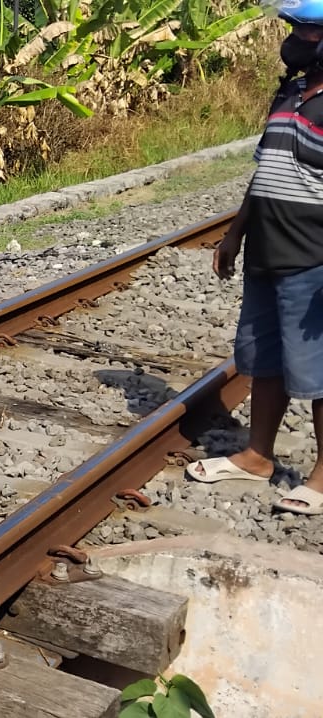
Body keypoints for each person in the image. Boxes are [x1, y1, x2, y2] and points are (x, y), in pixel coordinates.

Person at [185, 2, 323, 516]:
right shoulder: (291, 92)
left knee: (318, 373)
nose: (298, 38)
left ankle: (321, 480)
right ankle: (257, 457)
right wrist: (233, 235)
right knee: (264, 361)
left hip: (314, 256)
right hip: (267, 250)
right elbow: (265, 172)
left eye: (308, 30)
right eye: (296, 29)